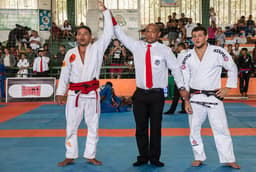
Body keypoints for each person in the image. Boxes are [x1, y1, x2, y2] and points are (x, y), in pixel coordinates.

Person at [113, 16, 187, 167]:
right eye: (147, 31)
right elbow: (120, 34)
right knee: (140, 128)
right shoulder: (137, 46)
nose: (149, 34)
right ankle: (142, 156)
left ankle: (154, 158)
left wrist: (182, 87)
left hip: (156, 94)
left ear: (159, 34)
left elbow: (176, 69)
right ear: (144, 33)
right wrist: (108, 14)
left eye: (153, 31)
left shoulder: (165, 50)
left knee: (155, 128)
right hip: (140, 94)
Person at [56, 2, 113, 167]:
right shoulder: (70, 54)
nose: (82, 36)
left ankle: (90, 155)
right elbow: (64, 73)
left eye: (85, 34)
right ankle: (70, 155)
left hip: (91, 94)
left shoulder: (97, 49)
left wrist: (106, 12)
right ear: (76, 37)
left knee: (93, 126)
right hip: (74, 94)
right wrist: (61, 92)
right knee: (71, 126)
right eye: (79, 34)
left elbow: (108, 33)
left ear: (90, 37)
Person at [181, 26, 240, 169]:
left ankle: (228, 158)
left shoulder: (217, 52)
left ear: (206, 37)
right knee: (194, 128)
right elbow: (184, 79)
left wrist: (228, 87)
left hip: (214, 96)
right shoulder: (187, 56)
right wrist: (186, 100)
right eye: (194, 36)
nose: (196, 38)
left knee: (221, 128)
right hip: (195, 97)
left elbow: (232, 67)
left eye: (200, 35)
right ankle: (198, 156)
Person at [164, 42, 187, 114]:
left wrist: (176, 79)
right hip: (186, 78)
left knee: (176, 95)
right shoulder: (188, 54)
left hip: (180, 78)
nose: (177, 49)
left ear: (181, 47)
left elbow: (177, 68)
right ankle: (184, 109)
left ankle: (172, 110)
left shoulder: (180, 56)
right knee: (184, 94)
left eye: (178, 47)